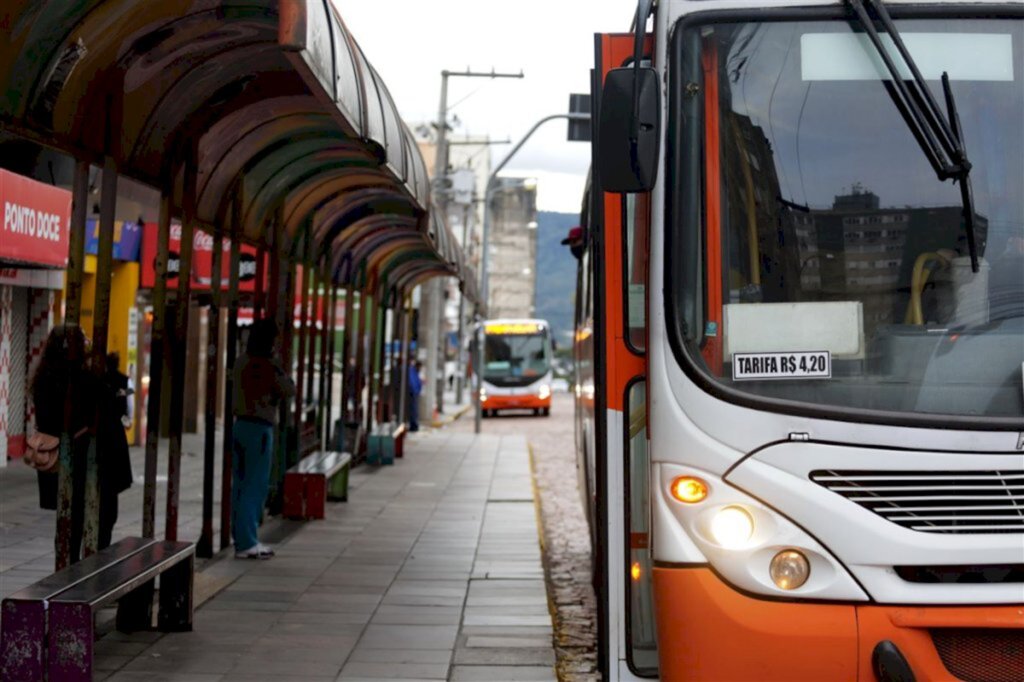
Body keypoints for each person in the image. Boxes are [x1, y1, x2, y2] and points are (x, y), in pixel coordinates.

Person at [31, 325, 132, 561]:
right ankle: (86, 576)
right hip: (88, 461)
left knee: (69, 525)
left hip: (63, 462)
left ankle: (68, 571)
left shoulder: (45, 377)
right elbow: (112, 402)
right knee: (99, 520)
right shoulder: (81, 378)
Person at [231, 319, 295, 559]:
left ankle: (240, 537)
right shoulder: (268, 365)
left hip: (240, 426)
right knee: (254, 486)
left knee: (239, 484)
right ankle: (248, 541)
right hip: (260, 428)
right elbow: (288, 389)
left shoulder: (241, 362)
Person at [407, 360, 423, 431]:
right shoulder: (412, 371)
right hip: (412, 393)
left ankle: (414, 424)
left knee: (414, 410)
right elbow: (413, 383)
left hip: (414, 393)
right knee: (413, 410)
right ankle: (413, 425)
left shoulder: (414, 372)